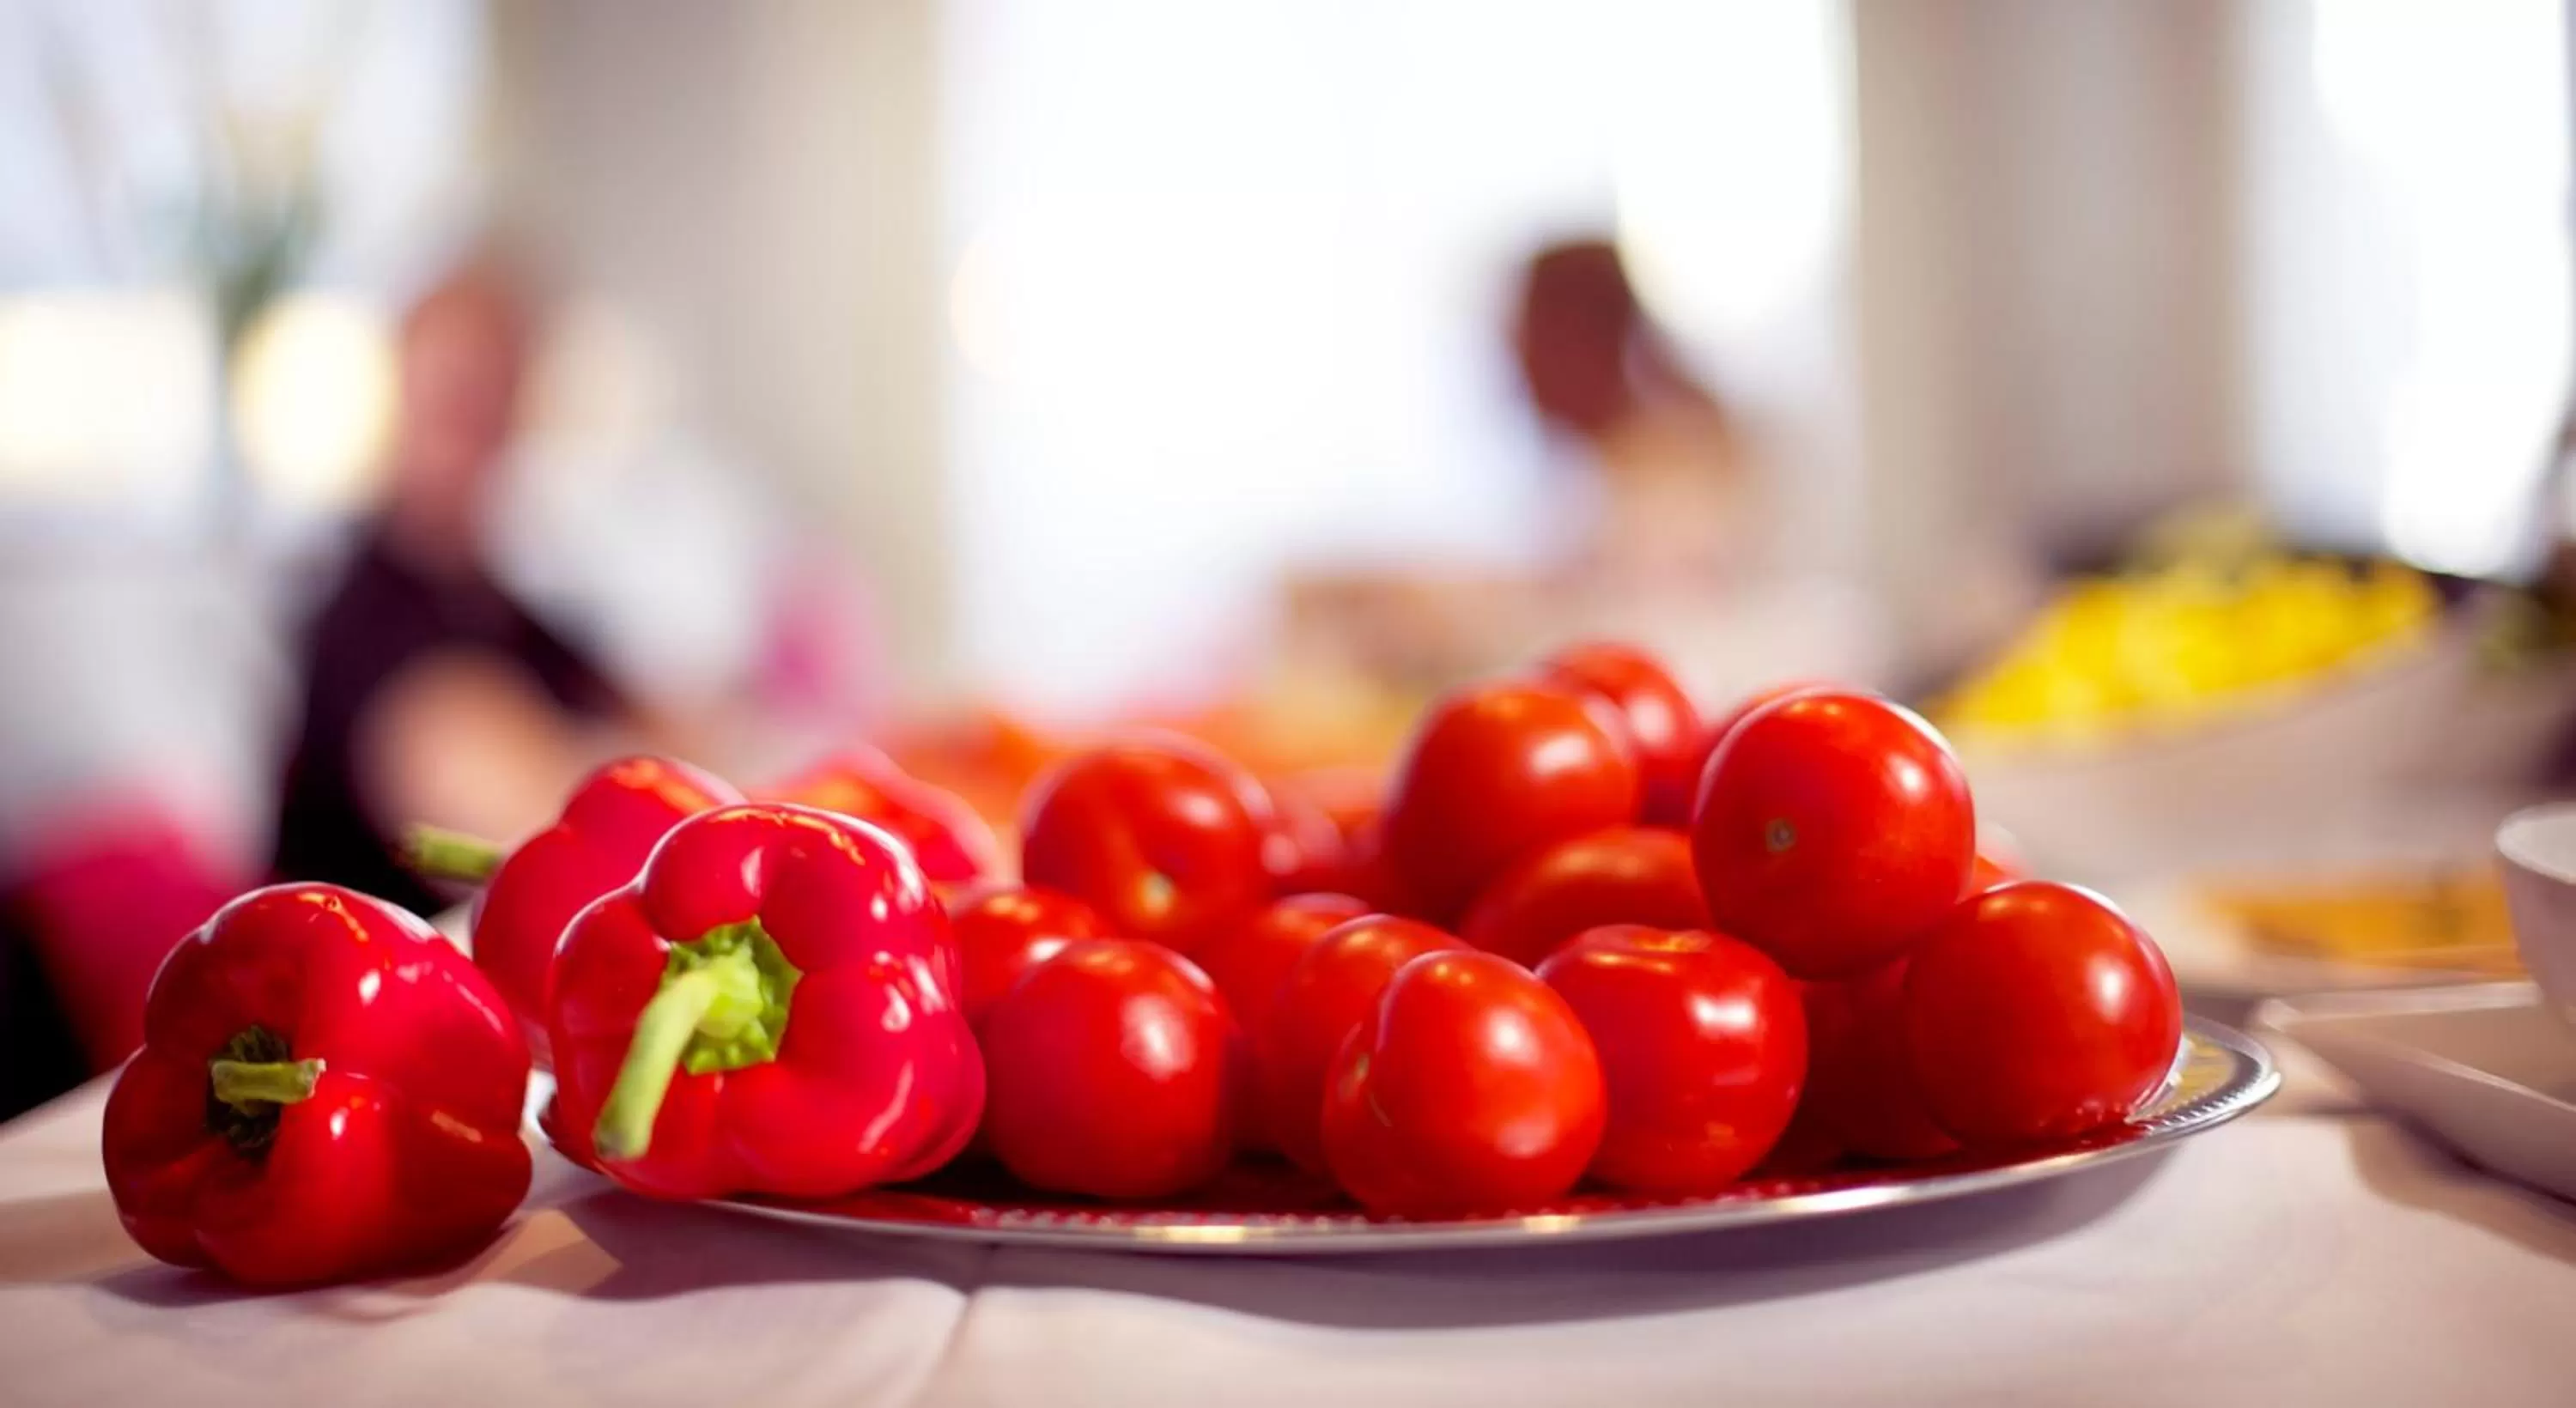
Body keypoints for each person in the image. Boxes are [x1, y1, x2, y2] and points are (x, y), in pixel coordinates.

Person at [270, 258, 638, 913]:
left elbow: (659, 718)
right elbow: (532, 839)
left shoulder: (500, 600)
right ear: (402, 390)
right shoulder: (364, 619)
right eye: (453, 390)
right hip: (367, 999)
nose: (474, 417)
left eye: (492, 390)